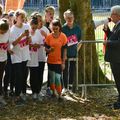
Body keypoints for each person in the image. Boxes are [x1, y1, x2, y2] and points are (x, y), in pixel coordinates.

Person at [9, 9, 31, 106]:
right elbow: (13, 43)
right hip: (16, 55)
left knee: (24, 75)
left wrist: (28, 38)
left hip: (25, 54)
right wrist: (22, 35)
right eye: (21, 17)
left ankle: (22, 93)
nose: (23, 19)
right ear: (16, 17)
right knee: (18, 75)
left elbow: (29, 39)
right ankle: (17, 95)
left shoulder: (27, 26)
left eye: (24, 17)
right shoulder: (13, 29)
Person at [45, 19, 67, 101]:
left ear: (59, 28)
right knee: (52, 78)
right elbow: (46, 49)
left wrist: (63, 62)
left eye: (56, 29)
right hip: (50, 61)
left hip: (59, 61)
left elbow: (65, 49)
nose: (54, 30)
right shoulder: (49, 37)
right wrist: (49, 50)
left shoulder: (63, 36)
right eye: (53, 28)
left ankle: (60, 95)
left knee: (58, 78)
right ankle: (53, 92)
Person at [103, 5, 120, 109]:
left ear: (118, 15)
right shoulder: (116, 25)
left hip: (118, 59)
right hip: (115, 58)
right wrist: (107, 31)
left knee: (119, 79)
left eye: (112, 14)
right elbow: (113, 37)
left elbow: (118, 42)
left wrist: (107, 42)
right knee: (117, 80)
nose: (110, 16)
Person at [62, 9, 82, 92]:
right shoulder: (63, 28)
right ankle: (65, 87)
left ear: (74, 17)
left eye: (71, 17)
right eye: (67, 18)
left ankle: (70, 87)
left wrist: (76, 50)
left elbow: (80, 41)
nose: (70, 19)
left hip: (74, 53)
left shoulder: (77, 28)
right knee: (65, 70)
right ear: (65, 18)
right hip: (65, 53)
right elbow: (62, 43)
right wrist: (64, 54)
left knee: (72, 70)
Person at [0, 18, 9, 106]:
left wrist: (6, 46)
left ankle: (1, 96)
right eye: (1, 31)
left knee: (0, 77)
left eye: (4, 32)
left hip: (3, 58)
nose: (3, 33)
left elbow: (8, 42)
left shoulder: (7, 33)